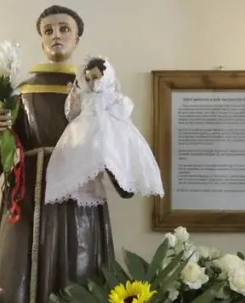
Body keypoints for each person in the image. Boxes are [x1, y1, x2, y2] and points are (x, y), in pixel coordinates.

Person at [0, 4, 133, 303]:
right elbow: (1, 150)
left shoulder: (96, 93)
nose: (56, 36)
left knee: (78, 273)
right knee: (15, 283)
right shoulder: (18, 90)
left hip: (77, 198)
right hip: (27, 196)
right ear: (41, 39)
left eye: (64, 29)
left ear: (77, 37)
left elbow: (118, 144)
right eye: (48, 30)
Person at [45, 56, 164, 207]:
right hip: (84, 133)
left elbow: (125, 108)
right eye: (88, 79)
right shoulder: (84, 97)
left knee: (112, 149)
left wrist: (112, 114)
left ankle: (119, 179)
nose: (93, 82)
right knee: (76, 158)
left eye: (96, 77)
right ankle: (86, 178)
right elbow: (71, 115)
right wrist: (73, 99)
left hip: (107, 130)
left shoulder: (112, 96)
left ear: (106, 76)